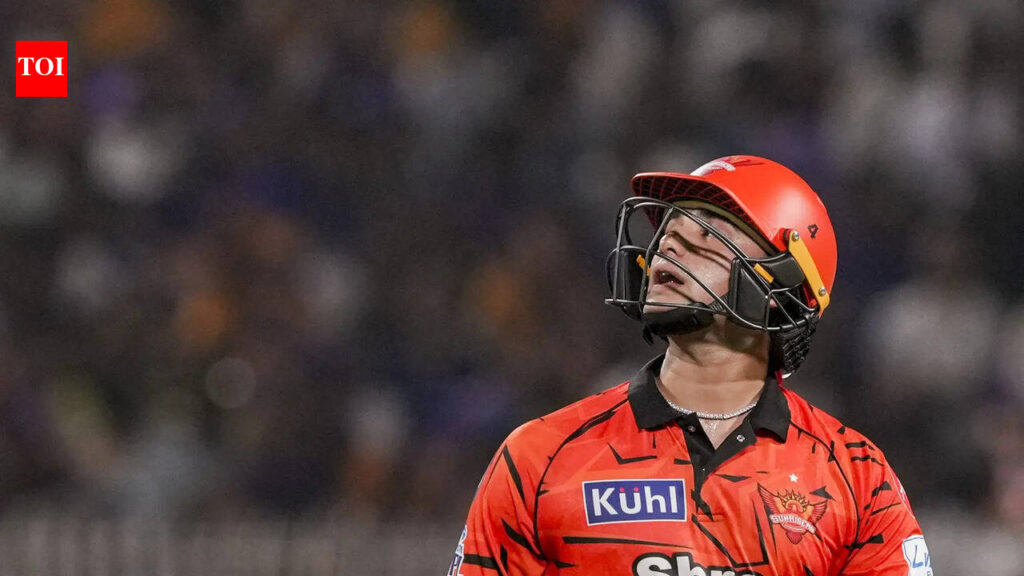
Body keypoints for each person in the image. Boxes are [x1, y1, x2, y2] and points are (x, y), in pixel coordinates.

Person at [448, 156, 933, 576]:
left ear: (782, 286)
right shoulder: (539, 457)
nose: (669, 243)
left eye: (710, 230)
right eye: (670, 227)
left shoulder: (859, 479)